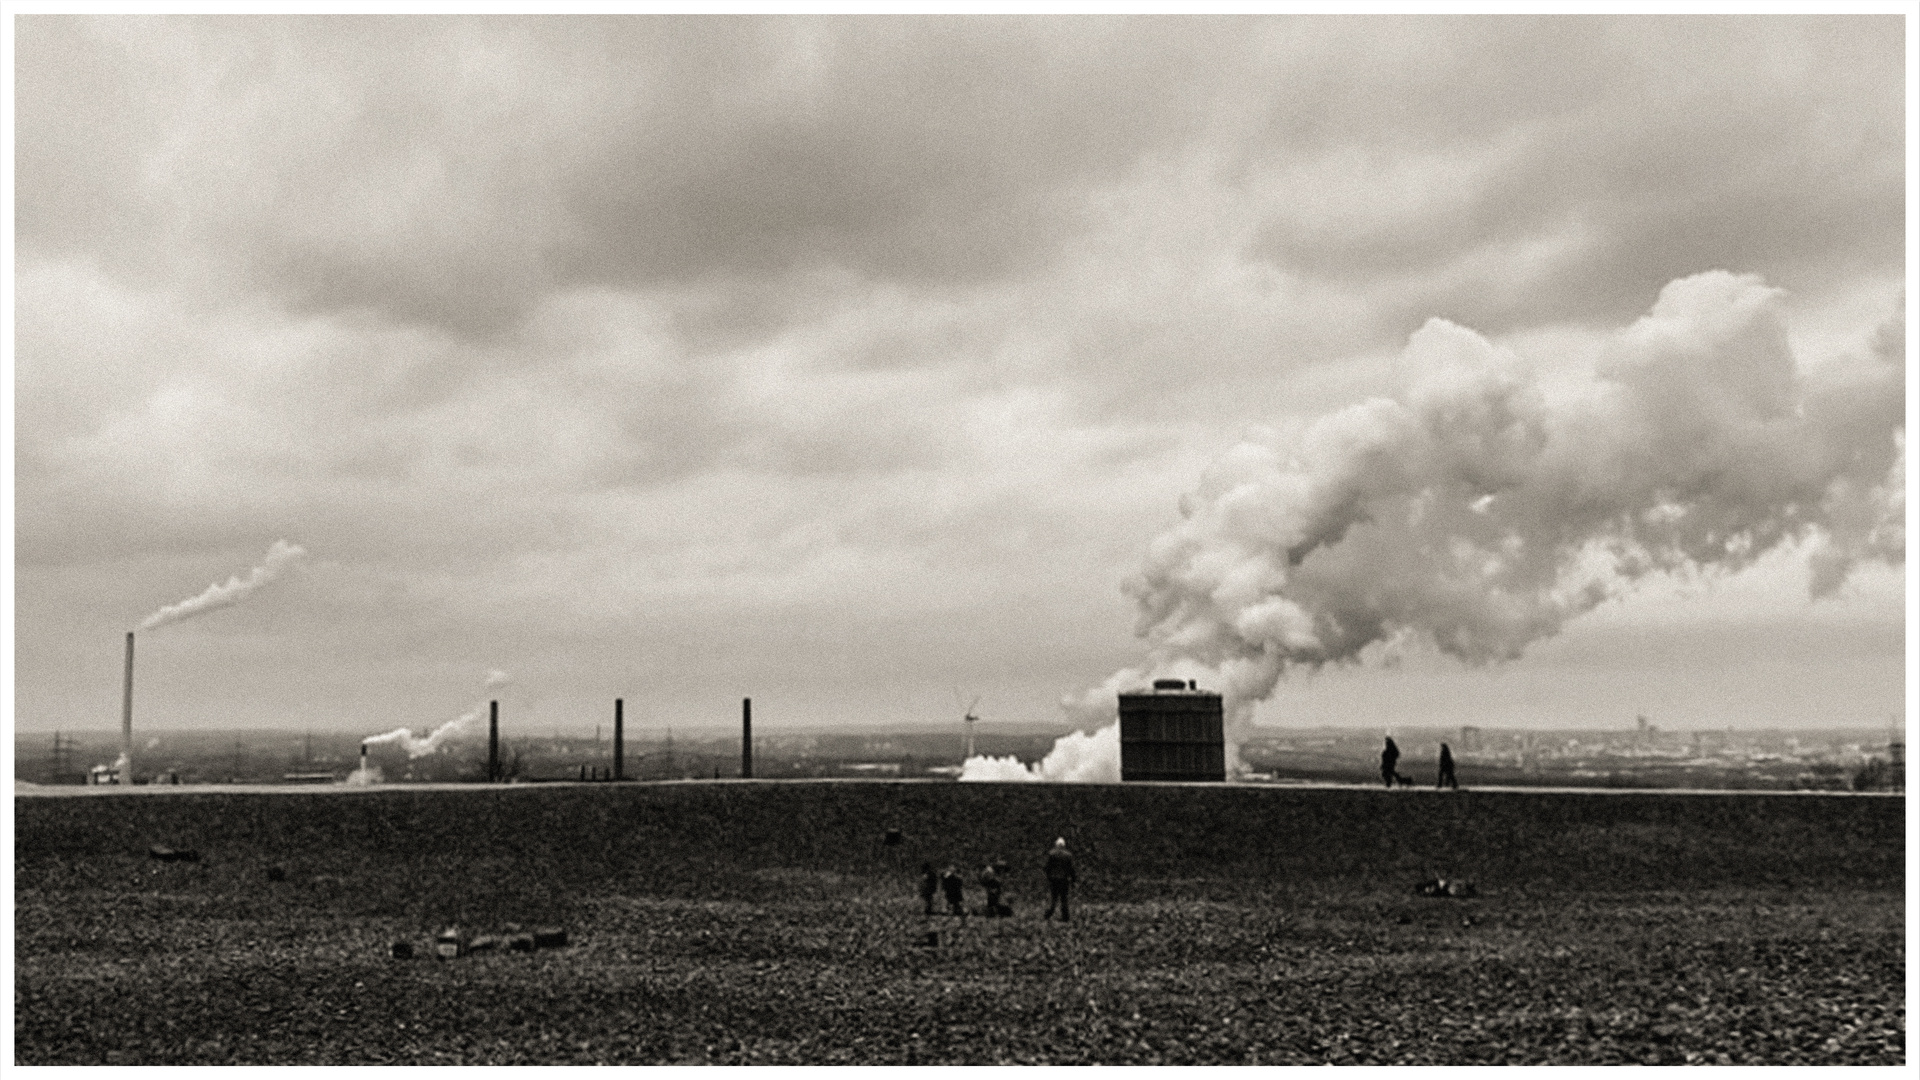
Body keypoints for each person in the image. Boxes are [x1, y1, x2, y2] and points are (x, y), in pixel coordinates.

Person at [1043, 838, 1076, 922]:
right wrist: (1073, 880)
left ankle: (1048, 914)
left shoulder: (1052, 854)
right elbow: (1071, 868)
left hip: (1054, 879)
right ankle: (1065, 917)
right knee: (1064, 898)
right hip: (1064, 880)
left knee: (1053, 898)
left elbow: (1047, 867)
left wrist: (1048, 877)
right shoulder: (1068, 855)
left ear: (1056, 845)